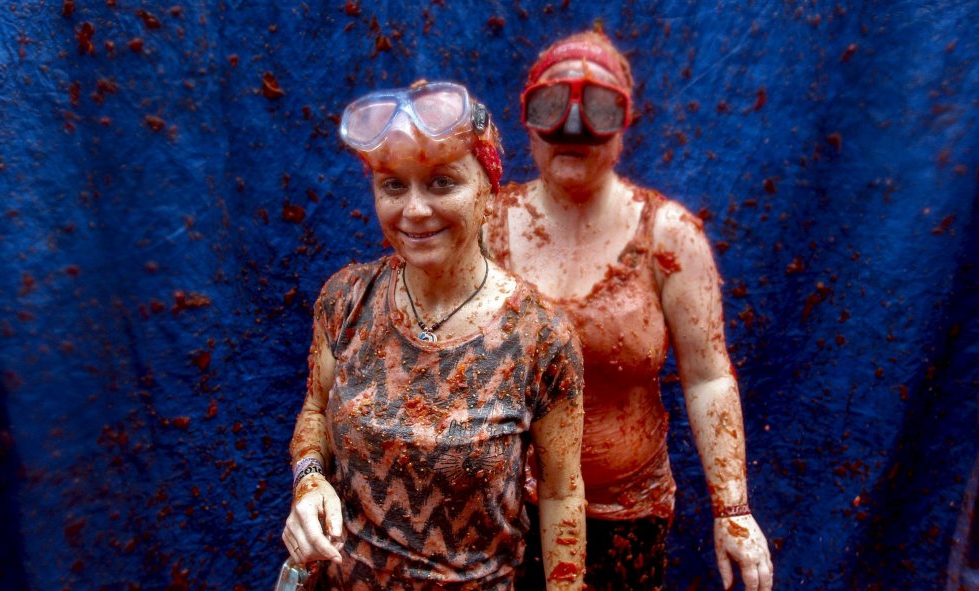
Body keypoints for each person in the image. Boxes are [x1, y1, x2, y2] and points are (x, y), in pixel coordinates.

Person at [485, 31, 774, 591]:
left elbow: (709, 375)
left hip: (627, 517)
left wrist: (732, 506)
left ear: (622, 126)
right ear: (527, 119)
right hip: (506, 509)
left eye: (596, 107)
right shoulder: (488, 224)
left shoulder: (667, 237)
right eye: (553, 105)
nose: (573, 126)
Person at [281, 81, 587, 590]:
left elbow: (561, 494)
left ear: (488, 189)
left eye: (442, 182)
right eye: (393, 186)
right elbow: (315, 412)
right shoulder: (345, 301)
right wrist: (309, 480)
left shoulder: (541, 336)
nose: (415, 210)